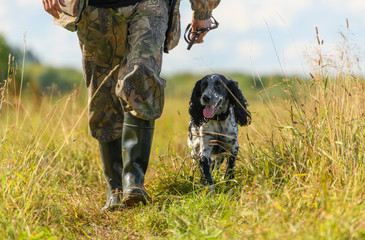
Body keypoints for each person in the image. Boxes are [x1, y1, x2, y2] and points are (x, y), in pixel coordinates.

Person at [42, 0, 221, 210]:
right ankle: (115, 189)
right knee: (103, 93)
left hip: (151, 5)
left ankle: (133, 182)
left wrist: (203, 9)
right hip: (95, 7)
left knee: (142, 76)